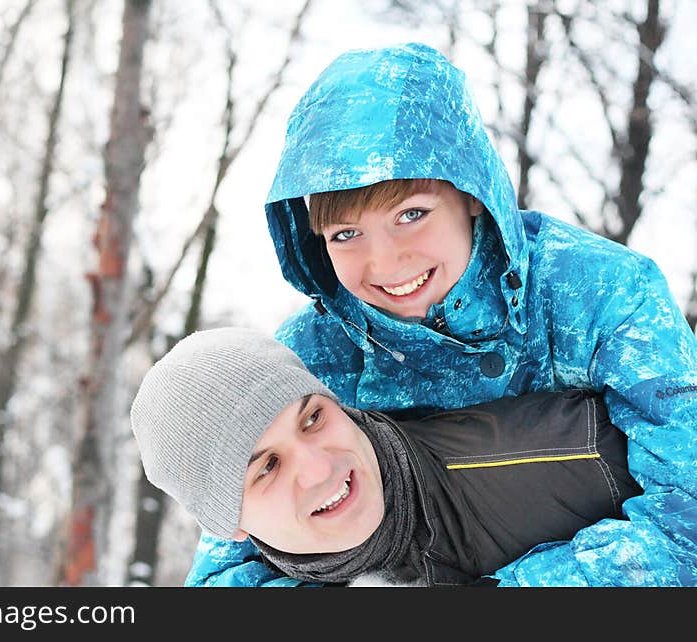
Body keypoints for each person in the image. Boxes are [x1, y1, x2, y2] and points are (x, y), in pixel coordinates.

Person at [185, 42, 697, 587]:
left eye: (411, 214)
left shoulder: (599, 293)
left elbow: (686, 506)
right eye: (346, 234)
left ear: (472, 194)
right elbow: (221, 575)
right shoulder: (311, 356)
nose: (383, 261)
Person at [131, 327, 642, 586]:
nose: (319, 467)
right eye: (266, 467)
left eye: (312, 418)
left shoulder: (579, 455)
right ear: (227, 525)